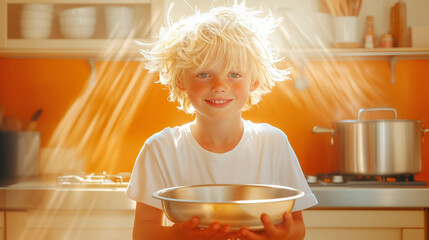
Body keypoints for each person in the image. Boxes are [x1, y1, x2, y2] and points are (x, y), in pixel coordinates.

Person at [126, 2, 318, 240]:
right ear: (181, 80)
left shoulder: (274, 143)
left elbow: (297, 226)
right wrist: (177, 236)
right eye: (204, 74)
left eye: (234, 74)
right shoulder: (160, 149)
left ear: (253, 80)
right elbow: (143, 232)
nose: (219, 86)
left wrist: (281, 235)